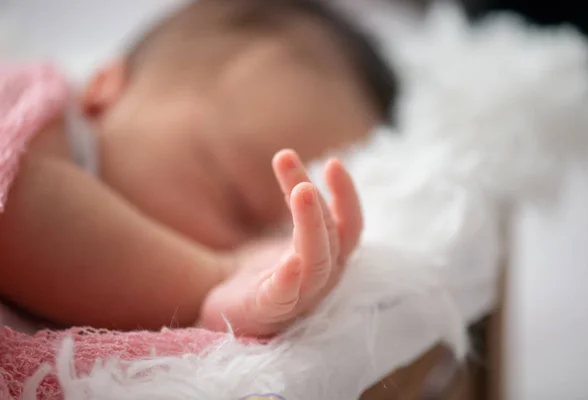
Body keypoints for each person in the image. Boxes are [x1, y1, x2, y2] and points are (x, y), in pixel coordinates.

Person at [0, 0, 397, 337]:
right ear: (104, 93)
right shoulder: (32, 107)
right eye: (238, 204)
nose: (257, 254)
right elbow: (16, 196)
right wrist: (217, 277)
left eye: (276, 237)